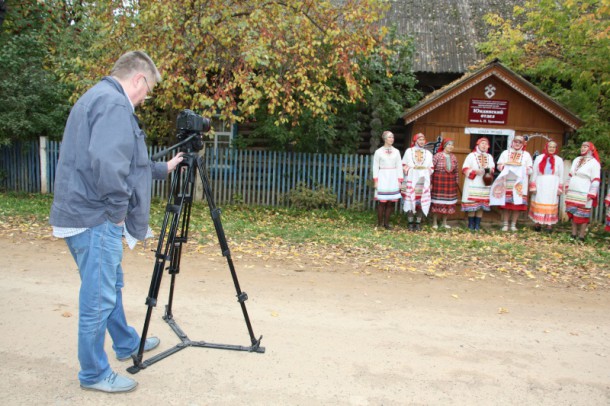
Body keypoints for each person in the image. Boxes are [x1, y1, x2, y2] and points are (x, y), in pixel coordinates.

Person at [49, 51, 184, 393]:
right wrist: (118, 212)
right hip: (94, 217)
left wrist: (163, 168)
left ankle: (125, 343)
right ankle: (93, 373)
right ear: (138, 79)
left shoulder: (100, 97)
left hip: (86, 212)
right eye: (148, 89)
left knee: (110, 284)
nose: (145, 98)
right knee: (99, 296)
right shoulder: (113, 104)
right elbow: (109, 165)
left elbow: (127, 160)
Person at [490, 135, 533, 231]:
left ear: (523, 144)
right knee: (506, 204)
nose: (517, 144)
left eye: (519, 142)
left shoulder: (526, 155)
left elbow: (530, 169)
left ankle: (513, 224)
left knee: (517, 205)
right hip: (507, 181)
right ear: (512, 142)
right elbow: (499, 166)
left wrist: (521, 168)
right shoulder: (505, 153)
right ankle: (505, 224)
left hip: (520, 183)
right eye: (516, 142)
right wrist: (506, 167)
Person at [565, 141, 601, 241]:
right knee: (572, 211)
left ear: (591, 149)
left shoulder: (594, 163)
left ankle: (581, 236)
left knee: (583, 213)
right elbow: (570, 174)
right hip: (573, 188)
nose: (583, 148)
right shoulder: (576, 159)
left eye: (586, 146)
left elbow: (596, 179)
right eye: (582, 146)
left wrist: (592, 193)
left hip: (585, 189)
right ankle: (573, 233)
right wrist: (567, 186)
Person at [528, 141, 564, 232]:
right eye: (550, 147)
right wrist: (533, 186)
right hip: (540, 183)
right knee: (538, 201)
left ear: (556, 149)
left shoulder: (559, 160)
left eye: (554, 147)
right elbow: (535, 172)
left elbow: (561, 175)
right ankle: (537, 224)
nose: (551, 149)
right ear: (546, 147)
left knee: (551, 203)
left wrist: (560, 188)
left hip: (553, 185)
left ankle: (549, 225)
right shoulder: (539, 158)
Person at [401, 133, 433, 231]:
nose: (422, 141)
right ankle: (410, 222)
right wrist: (412, 169)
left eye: (423, 139)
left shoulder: (428, 153)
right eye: (419, 139)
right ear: (415, 140)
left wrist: (425, 171)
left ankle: (418, 223)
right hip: (411, 179)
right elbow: (403, 165)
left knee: (420, 202)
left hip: (423, 181)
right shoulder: (408, 151)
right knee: (410, 201)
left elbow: (431, 167)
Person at [461, 137, 495, 231]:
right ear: (478, 145)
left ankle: (477, 225)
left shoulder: (489, 157)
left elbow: (492, 169)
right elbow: (464, 169)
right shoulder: (471, 156)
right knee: (473, 204)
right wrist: (475, 171)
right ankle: (470, 225)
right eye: (482, 143)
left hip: (484, 183)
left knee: (481, 204)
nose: (484, 146)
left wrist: (486, 170)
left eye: (486, 144)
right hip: (473, 182)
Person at [372, 131, 403, 230]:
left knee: (390, 202)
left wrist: (399, 180)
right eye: (390, 137)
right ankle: (379, 224)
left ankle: (386, 224)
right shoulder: (378, 152)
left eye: (393, 137)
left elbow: (399, 166)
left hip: (393, 177)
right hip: (383, 177)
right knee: (382, 202)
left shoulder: (396, 151)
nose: (392, 139)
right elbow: (375, 167)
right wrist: (376, 181)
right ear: (385, 139)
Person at [430, 139, 459, 229]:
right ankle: (434, 222)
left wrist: (456, 181)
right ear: (444, 145)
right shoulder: (437, 156)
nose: (450, 146)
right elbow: (431, 169)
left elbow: (456, 171)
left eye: (452, 145)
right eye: (449, 145)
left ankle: (444, 222)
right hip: (438, 181)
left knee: (448, 202)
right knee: (436, 201)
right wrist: (430, 182)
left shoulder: (454, 157)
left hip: (450, 182)